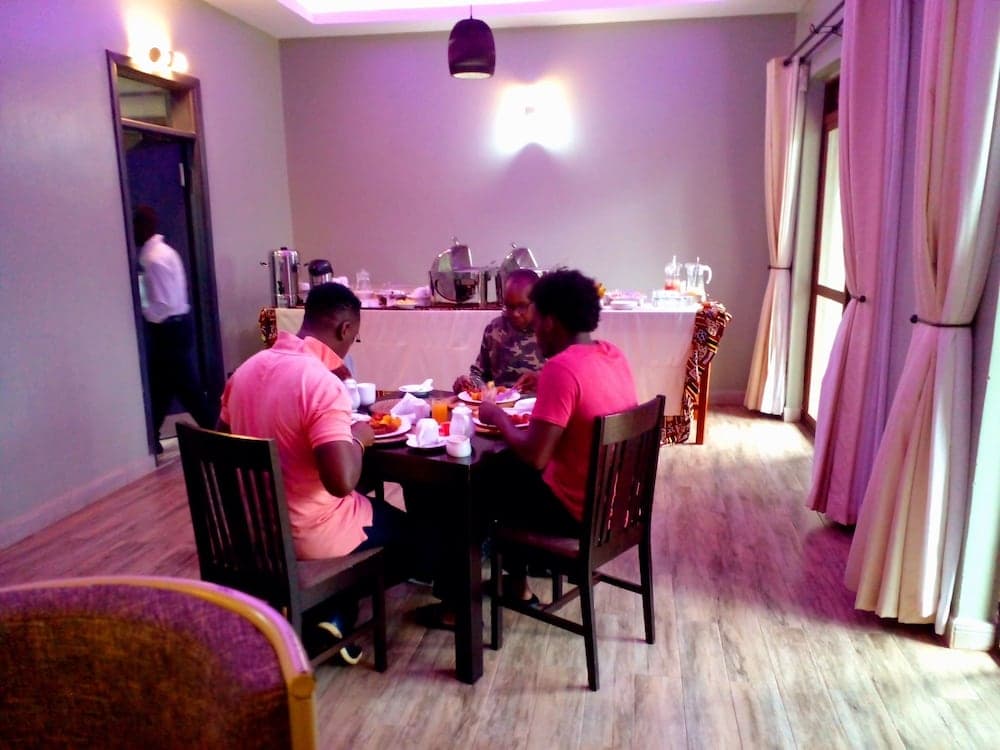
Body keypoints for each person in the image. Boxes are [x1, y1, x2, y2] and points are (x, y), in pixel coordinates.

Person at [218, 282, 414, 661]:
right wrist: (359, 439)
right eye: (353, 338)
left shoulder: (243, 372)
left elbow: (221, 441)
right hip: (307, 535)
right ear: (345, 329)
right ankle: (324, 606)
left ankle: (329, 611)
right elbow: (341, 482)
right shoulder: (321, 383)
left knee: (378, 517)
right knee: (417, 538)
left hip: (251, 529)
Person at [478, 269, 638, 604]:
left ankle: (461, 598)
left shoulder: (561, 368)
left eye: (536, 320)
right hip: (614, 508)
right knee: (508, 473)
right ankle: (515, 580)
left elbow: (535, 456)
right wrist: (544, 383)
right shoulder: (612, 354)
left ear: (550, 322)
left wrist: (497, 416)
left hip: (577, 516)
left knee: (482, 478)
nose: (534, 330)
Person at [134, 205, 215, 453]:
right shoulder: (167, 252)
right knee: (165, 387)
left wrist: (141, 312)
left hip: (167, 330)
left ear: (142, 227)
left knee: (184, 388)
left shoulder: (152, 259)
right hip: (179, 326)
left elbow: (162, 303)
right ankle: (154, 437)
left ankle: (220, 434)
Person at [452, 269, 544, 394]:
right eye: (509, 306)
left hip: (540, 402)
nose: (515, 314)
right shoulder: (495, 329)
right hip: (501, 401)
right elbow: (479, 374)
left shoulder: (550, 332)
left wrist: (543, 380)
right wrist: (470, 384)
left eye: (522, 306)